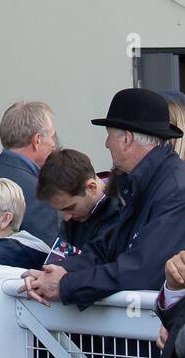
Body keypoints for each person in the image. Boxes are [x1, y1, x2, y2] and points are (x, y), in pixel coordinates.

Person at [22, 89, 185, 308]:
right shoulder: (142, 181)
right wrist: (62, 271)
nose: (106, 144)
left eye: (109, 135)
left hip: (156, 331)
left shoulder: (173, 187)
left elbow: (142, 269)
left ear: (126, 139)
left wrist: (67, 283)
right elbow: (107, 248)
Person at [0, 100, 61, 246]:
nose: (54, 144)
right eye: (52, 137)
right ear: (37, 140)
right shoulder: (40, 193)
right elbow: (43, 255)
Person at [35, 148, 120, 258]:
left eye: (70, 208)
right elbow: (61, 260)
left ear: (91, 187)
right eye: (60, 210)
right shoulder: (76, 215)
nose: (66, 218)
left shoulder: (122, 212)